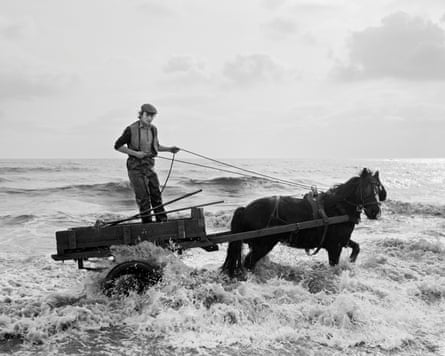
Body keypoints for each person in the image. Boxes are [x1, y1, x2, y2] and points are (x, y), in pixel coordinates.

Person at [114, 103, 180, 223]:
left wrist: (170, 149)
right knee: (143, 198)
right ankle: (147, 226)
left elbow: (156, 147)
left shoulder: (154, 129)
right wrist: (136, 153)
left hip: (149, 165)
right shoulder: (131, 129)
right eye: (147, 115)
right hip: (135, 167)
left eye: (152, 116)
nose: (149, 118)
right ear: (141, 114)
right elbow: (117, 146)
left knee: (156, 195)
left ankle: (163, 223)